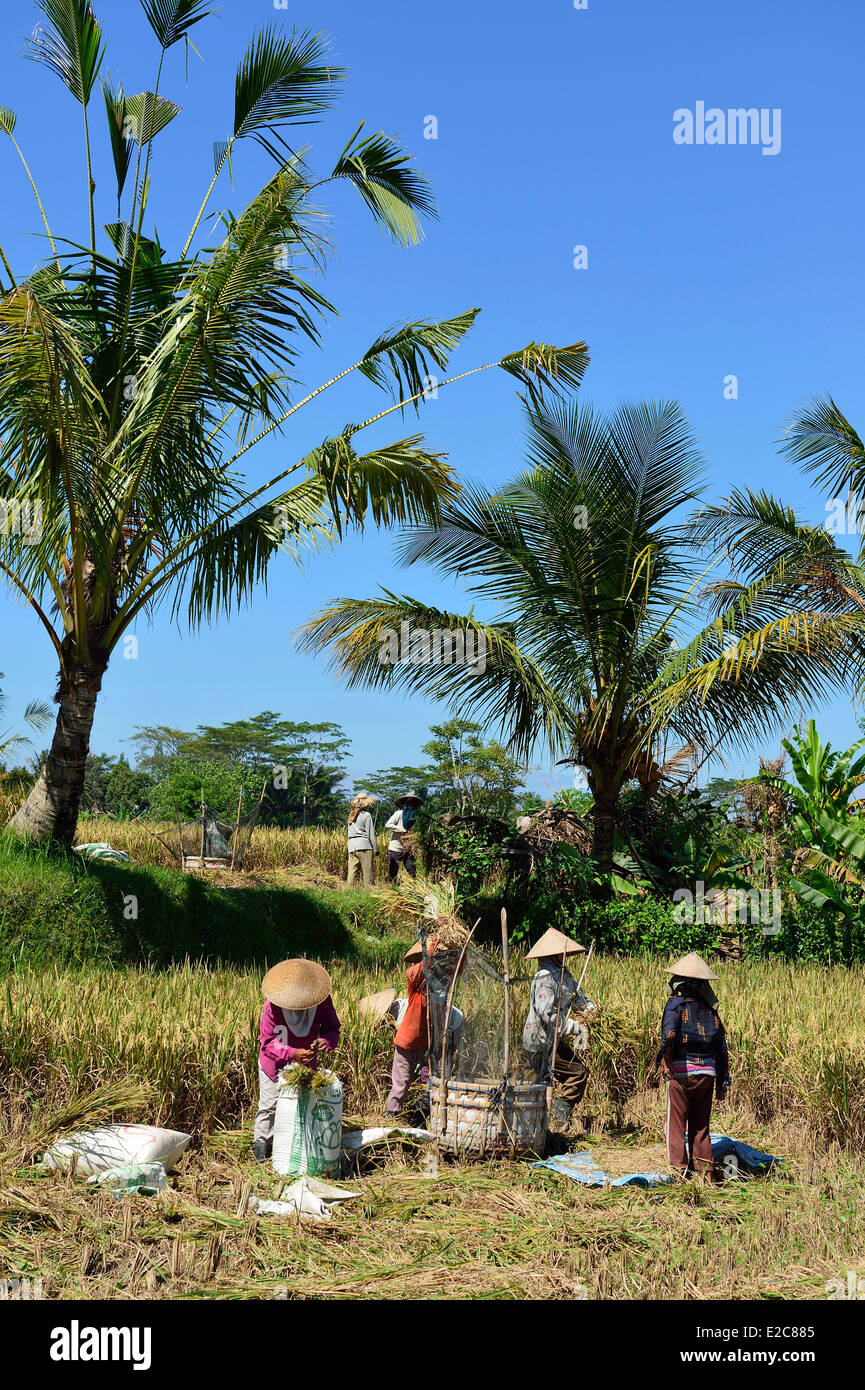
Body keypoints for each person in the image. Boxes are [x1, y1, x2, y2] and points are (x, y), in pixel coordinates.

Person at [650, 952, 730, 1183]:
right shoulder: (710, 1010)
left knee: (675, 1123)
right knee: (700, 1126)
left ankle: (679, 1172)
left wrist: (663, 1059)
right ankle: (706, 1175)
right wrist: (723, 1080)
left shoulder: (676, 1004)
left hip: (680, 1073)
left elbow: (669, 1034)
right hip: (707, 1074)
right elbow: (721, 1047)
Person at [253, 958, 341, 1163]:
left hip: (305, 1063)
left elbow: (332, 1028)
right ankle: (261, 1150)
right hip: (274, 1064)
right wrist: (293, 1053)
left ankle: (293, 1151)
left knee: (301, 1104)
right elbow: (267, 1043)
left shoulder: (321, 1002)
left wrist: (324, 1042)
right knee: (270, 1106)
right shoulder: (273, 1005)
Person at [522, 927, 597, 1133]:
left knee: (577, 1073)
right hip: (539, 1039)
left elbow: (579, 998)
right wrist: (574, 1026)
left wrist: (590, 1009)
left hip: (554, 1039)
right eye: (561, 953)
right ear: (552, 953)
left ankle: (560, 1114)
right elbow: (547, 1014)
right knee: (538, 1082)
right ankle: (542, 1125)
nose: (564, 956)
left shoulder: (565, 975)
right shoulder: (544, 977)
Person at [385, 937, 464, 1116]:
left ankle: (430, 1114)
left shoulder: (443, 984)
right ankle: (392, 1114)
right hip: (409, 1042)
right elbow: (414, 972)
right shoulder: (417, 985)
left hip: (431, 1043)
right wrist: (432, 952)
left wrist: (457, 950)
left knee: (434, 1080)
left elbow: (458, 969)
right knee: (401, 1084)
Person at [385, 791, 422, 882]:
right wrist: (403, 830)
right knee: (393, 871)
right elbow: (388, 824)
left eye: (413, 801)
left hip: (409, 848)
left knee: (412, 869)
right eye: (409, 801)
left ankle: (414, 888)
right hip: (396, 847)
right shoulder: (399, 813)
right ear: (405, 802)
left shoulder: (416, 815)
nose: (411, 803)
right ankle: (392, 889)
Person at [347, 793, 378, 887]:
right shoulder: (367, 815)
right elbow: (370, 834)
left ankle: (349, 890)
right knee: (367, 871)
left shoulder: (351, 815)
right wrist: (376, 849)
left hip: (352, 846)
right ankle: (369, 890)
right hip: (364, 845)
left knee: (352, 871)